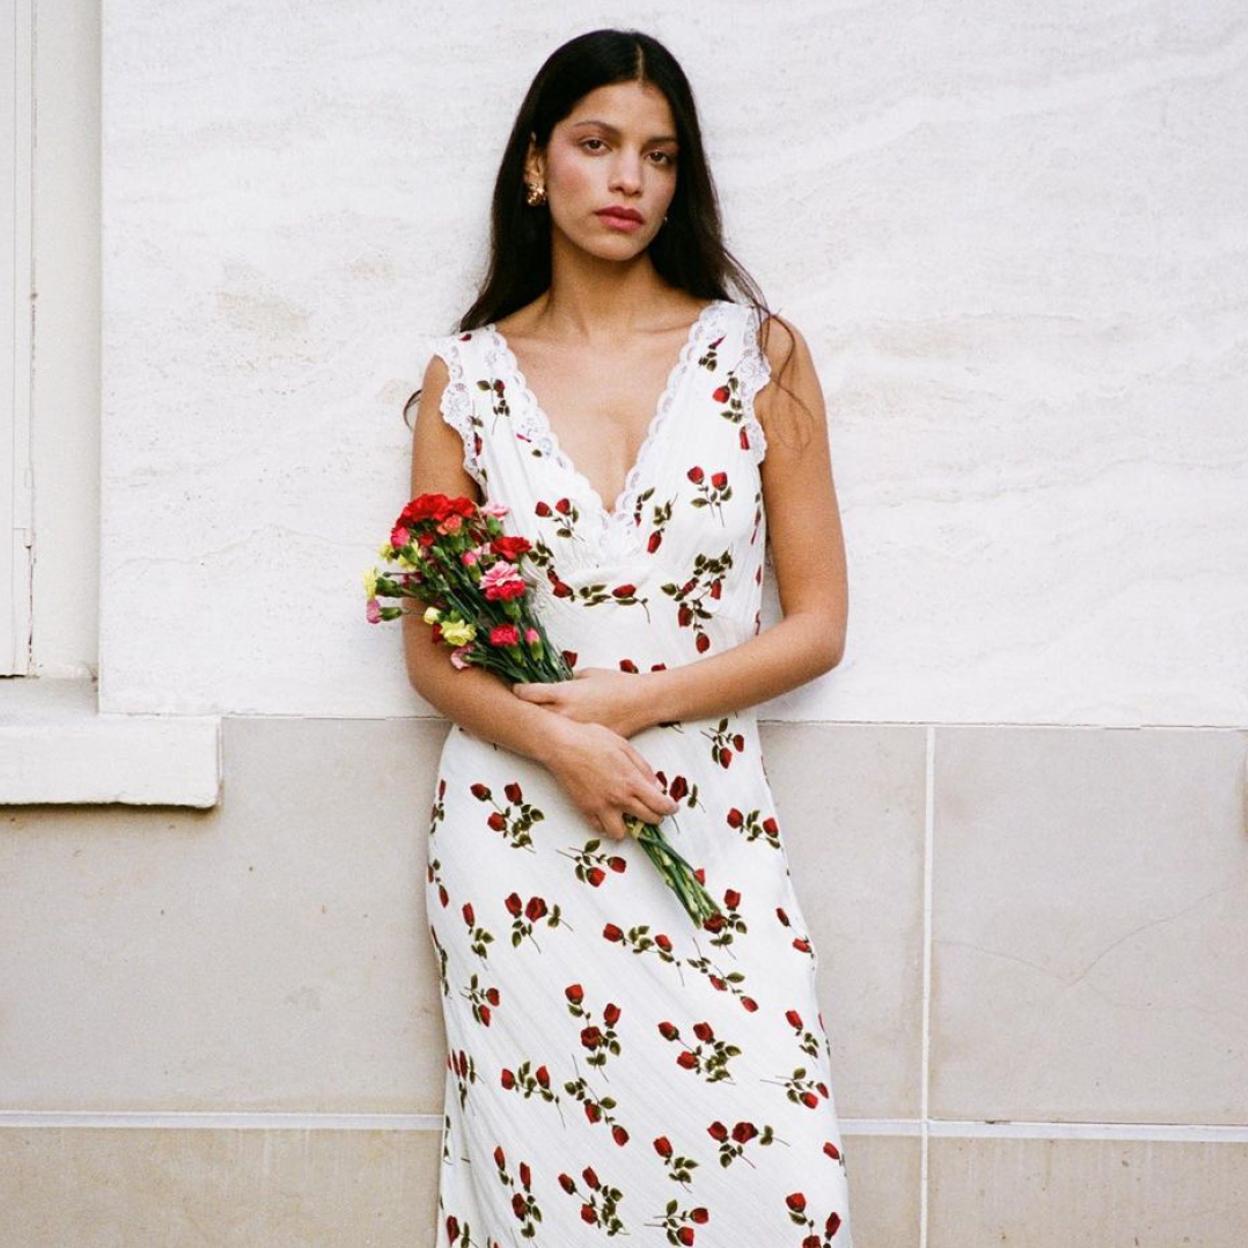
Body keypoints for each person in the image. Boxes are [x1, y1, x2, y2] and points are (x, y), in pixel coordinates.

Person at [404, 27, 851, 1246]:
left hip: (706, 812)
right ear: (537, 167)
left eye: (658, 154)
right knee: (546, 1192)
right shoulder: (468, 379)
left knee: (777, 1181)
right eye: (596, 145)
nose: (628, 180)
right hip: (518, 833)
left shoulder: (755, 356)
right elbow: (434, 653)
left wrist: (628, 712)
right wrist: (564, 748)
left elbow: (817, 627)